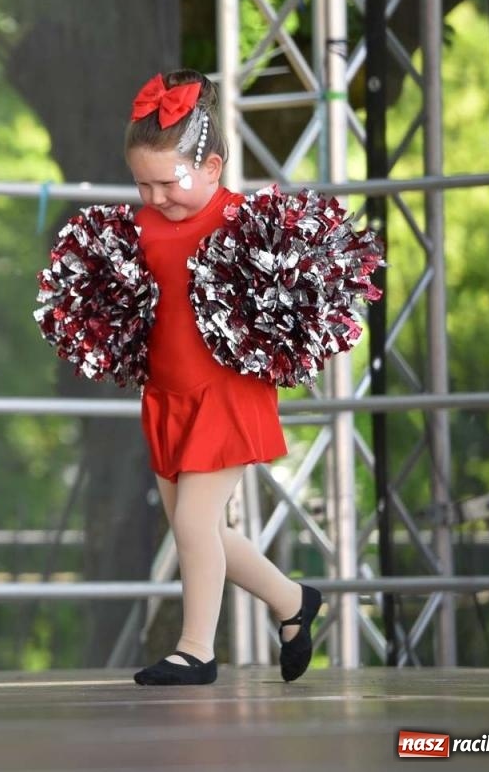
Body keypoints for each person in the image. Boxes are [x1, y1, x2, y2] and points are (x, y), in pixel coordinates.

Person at [125, 69, 323, 685]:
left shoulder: (247, 221)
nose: (156, 198)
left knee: (192, 527)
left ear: (211, 167)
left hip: (226, 392)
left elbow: (294, 289)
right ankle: (294, 602)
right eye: (142, 184)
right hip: (167, 394)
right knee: (200, 530)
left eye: (169, 182)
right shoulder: (140, 227)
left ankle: (196, 650)